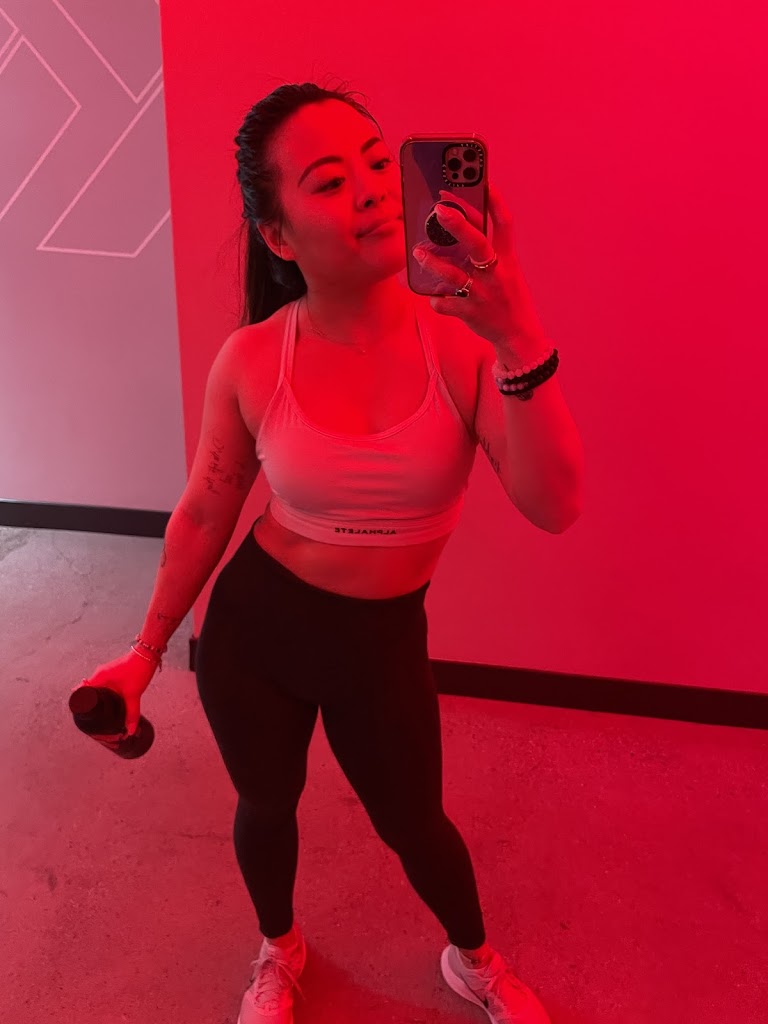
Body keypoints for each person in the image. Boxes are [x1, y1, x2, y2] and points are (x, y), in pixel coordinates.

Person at [131, 79, 558, 1024]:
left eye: (376, 161)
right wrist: (145, 649)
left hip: (380, 643)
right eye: (329, 180)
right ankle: (278, 951)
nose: (369, 188)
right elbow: (204, 510)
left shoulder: (463, 346)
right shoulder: (252, 357)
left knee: (415, 823)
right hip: (256, 632)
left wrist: (519, 329)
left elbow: (555, 506)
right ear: (278, 236)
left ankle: (474, 958)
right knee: (265, 805)